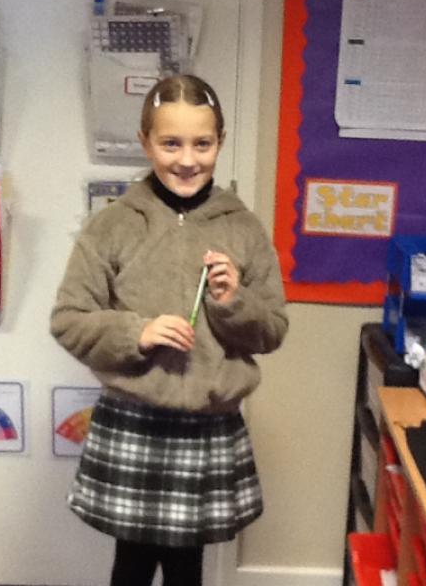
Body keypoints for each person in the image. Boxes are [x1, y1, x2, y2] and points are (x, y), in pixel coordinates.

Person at [50, 74, 288, 586]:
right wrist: (135, 333)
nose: (187, 160)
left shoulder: (243, 227)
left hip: (208, 423)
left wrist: (233, 300)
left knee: (186, 569)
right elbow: (68, 320)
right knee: (131, 566)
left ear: (220, 141)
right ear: (145, 142)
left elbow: (272, 331)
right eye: (170, 144)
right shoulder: (111, 225)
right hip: (133, 418)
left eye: (202, 144)